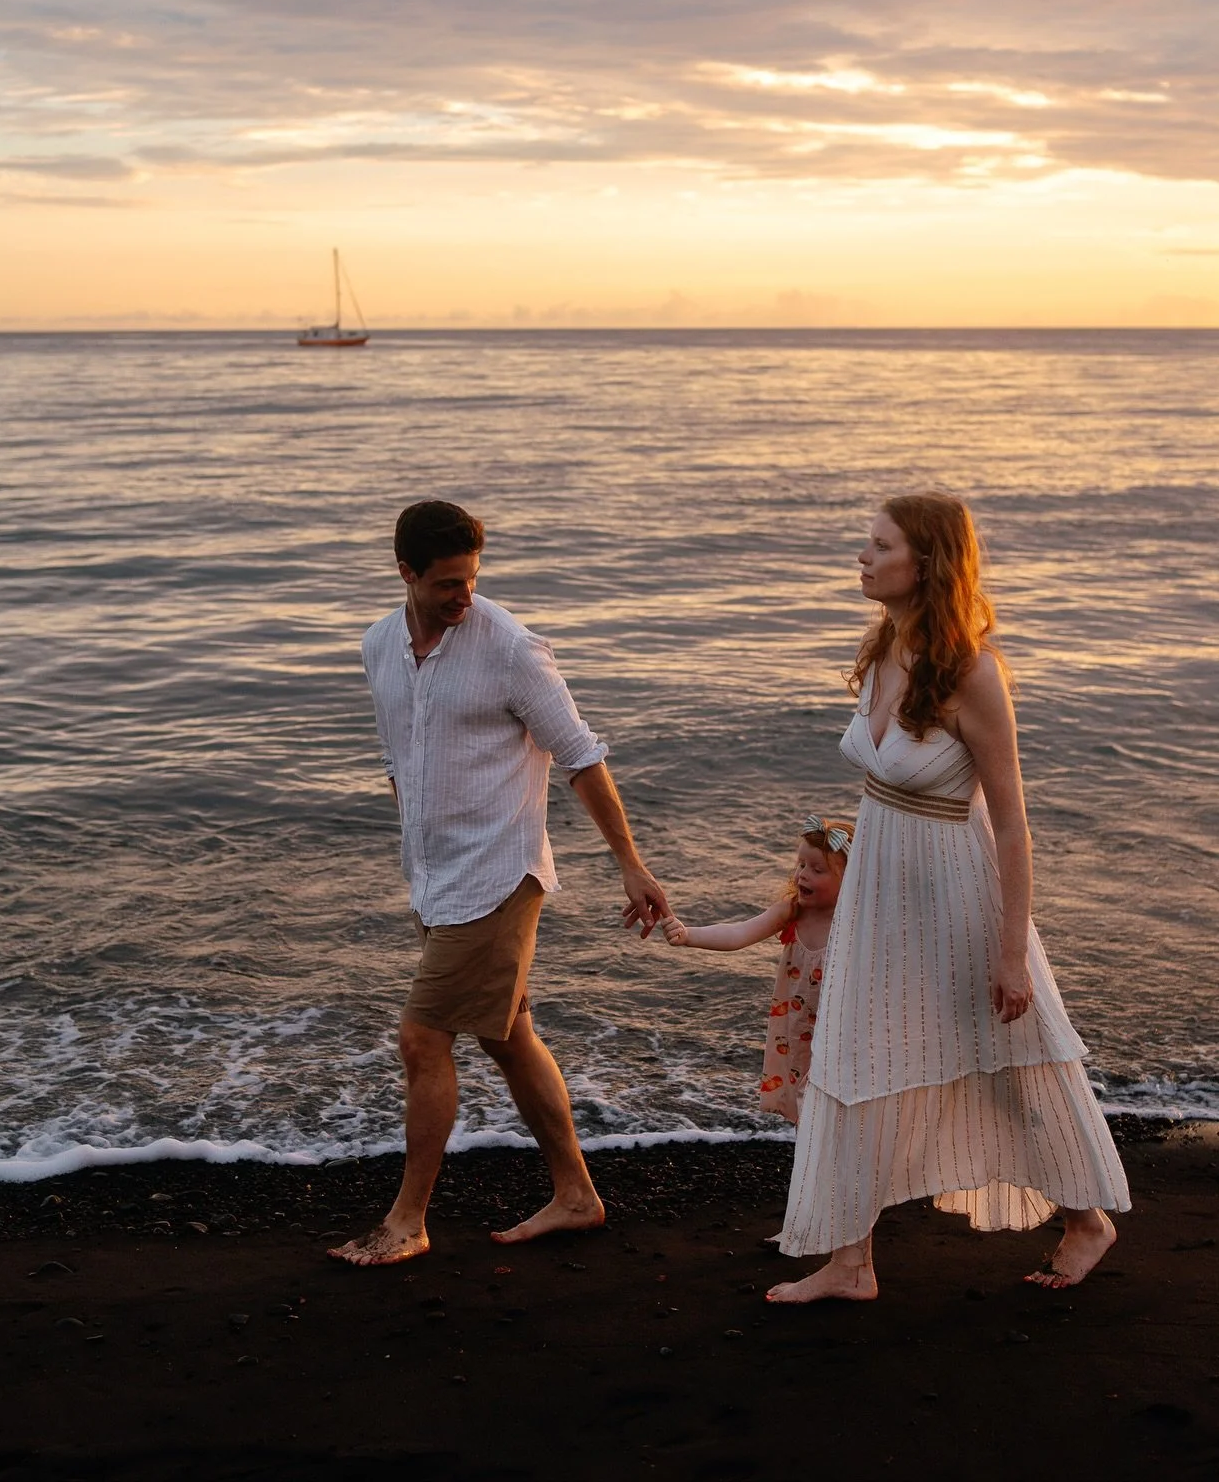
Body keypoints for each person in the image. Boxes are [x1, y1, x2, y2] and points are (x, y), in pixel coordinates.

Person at [769, 492, 1130, 1304]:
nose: (861, 557)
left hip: (958, 894)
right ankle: (850, 1261)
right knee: (856, 1053)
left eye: (878, 545)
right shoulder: (886, 642)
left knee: (1010, 1059)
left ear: (924, 562)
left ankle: (1085, 1221)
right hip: (882, 888)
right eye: (865, 542)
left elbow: (1012, 827)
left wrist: (1010, 952)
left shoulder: (973, 671)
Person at [330, 499, 669, 1267]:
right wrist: (418, 854)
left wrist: (631, 864)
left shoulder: (510, 647)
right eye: (448, 582)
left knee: (421, 1038)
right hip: (434, 878)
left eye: (473, 580)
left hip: (499, 874)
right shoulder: (379, 646)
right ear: (406, 573)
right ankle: (576, 1194)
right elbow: (399, 762)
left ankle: (408, 1220)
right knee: (507, 1035)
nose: (465, 596)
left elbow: (581, 757)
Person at [661, 816, 852, 1124]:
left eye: (817, 870)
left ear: (851, 879)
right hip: (800, 1029)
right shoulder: (792, 911)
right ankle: (810, 1162)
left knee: (832, 1102)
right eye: (801, 865)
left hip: (841, 1030)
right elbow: (739, 934)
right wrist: (688, 936)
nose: (803, 875)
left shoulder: (855, 924)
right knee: (806, 1103)